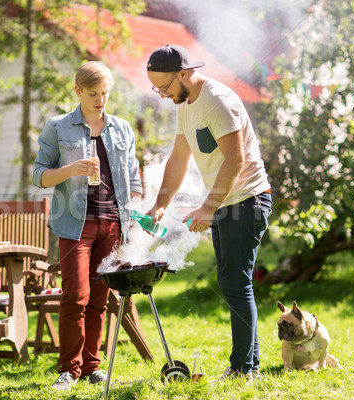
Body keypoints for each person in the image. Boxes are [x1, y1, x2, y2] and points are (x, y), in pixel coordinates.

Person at [146, 45, 272, 380]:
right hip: (228, 202)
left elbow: (236, 160)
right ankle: (248, 367)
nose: (161, 93)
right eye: (155, 88)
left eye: (164, 86)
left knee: (236, 284)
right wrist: (160, 204)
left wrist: (208, 207)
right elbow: (178, 158)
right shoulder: (186, 104)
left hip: (247, 200)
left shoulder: (216, 101)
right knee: (232, 282)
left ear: (184, 73)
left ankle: (245, 369)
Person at [32, 61, 142, 390]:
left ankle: (92, 366)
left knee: (99, 298)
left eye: (105, 93)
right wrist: (72, 170)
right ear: (78, 91)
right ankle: (68, 369)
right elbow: (38, 175)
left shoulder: (123, 129)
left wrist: (134, 214)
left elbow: (134, 178)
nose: (100, 100)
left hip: (113, 224)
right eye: (93, 93)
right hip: (74, 225)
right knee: (75, 295)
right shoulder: (58, 126)